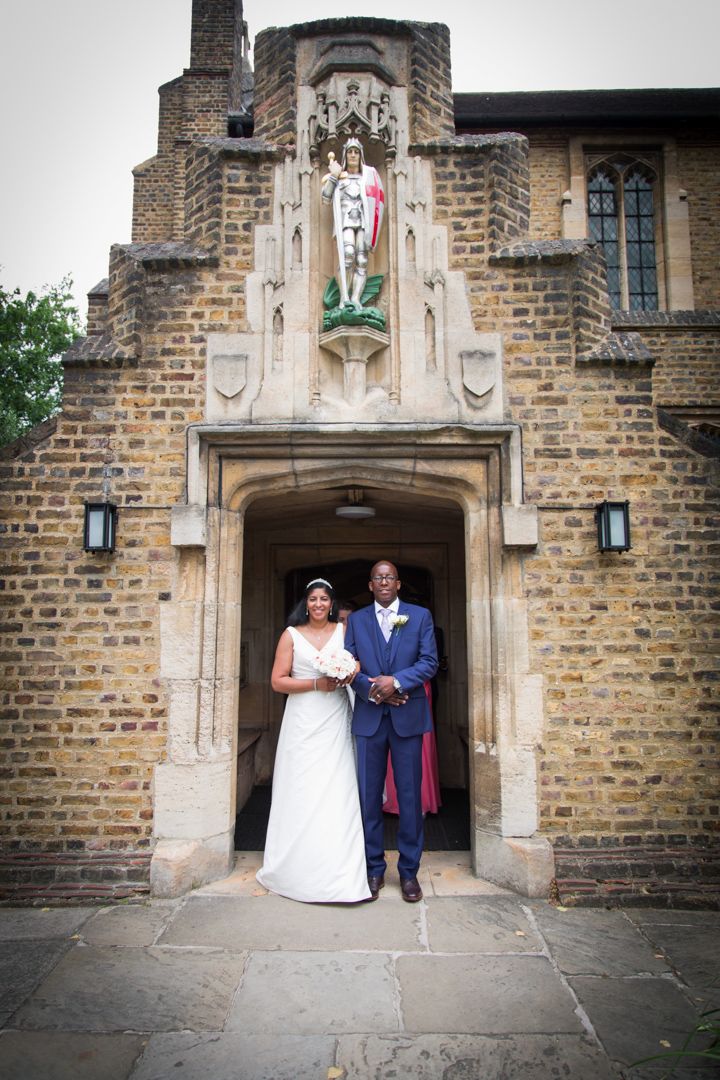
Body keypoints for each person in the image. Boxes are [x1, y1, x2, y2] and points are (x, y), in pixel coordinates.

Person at [256, 578, 370, 903]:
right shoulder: (290, 635)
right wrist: (316, 685)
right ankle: (294, 867)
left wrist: (349, 672)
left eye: (324, 599)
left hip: (335, 716)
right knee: (302, 786)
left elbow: (357, 662)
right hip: (303, 719)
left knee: (337, 786)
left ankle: (341, 870)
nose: (318, 604)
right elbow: (278, 682)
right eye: (313, 599)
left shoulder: (343, 631)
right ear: (305, 603)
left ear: (331, 603)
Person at [344, 561, 438, 902]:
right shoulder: (355, 621)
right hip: (369, 719)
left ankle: (409, 873)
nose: (384, 582)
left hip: (407, 717)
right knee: (368, 797)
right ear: (370, 585)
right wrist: (372, 689)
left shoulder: (420, 616)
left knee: (410, 797)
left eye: (389, 577)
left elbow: (429, 662)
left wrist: (396, 682)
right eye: (377, 578)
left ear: (398, 583)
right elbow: (347, 664)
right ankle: (373, 869)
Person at [321, 138, 384, 308]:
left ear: (361, 155)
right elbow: (326, 198)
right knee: (348, 255)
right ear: (345, 155)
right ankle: (344, 298)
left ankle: (355, 298)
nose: (353, 155)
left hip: (364, 222)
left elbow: (376, 201)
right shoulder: (340, 179)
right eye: (350, 152)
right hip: (346, 222)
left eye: (356, 151)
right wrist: (334, 177)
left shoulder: (368, 178)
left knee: (362, 260)